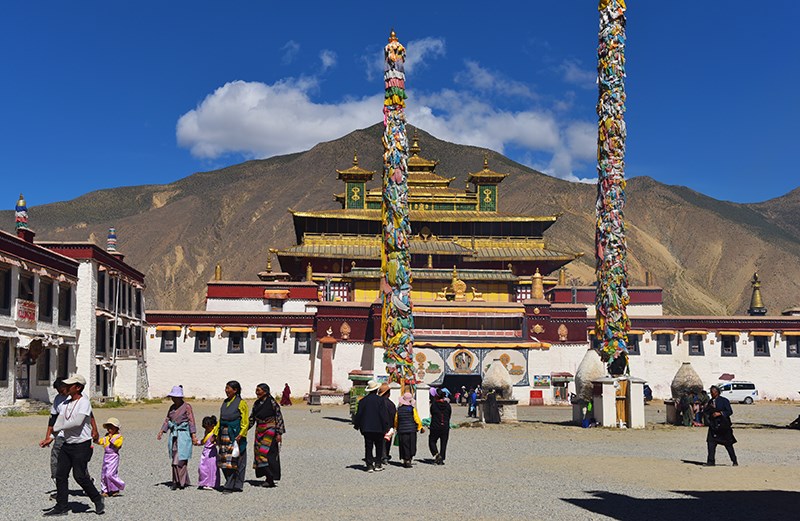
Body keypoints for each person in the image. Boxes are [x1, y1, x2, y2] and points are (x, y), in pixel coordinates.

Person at [43, 374, 105, 517]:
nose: (66, 387)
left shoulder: (84, 402)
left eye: (69, 385)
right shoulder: (65, 404)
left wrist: (59, 428)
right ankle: (61, 506)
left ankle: (97, 498)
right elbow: (58, 421)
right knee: (61, 475)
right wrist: (51, 437)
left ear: (77, 387)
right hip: (67, 444)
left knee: (80, 476)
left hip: (81, 445)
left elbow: (77, 422)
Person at [157, 385, 198, 490]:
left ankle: (181, 482)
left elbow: (191, 421)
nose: (173, 399)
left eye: (175, 397)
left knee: (180, 459)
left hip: (183, 435)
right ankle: (176, 481)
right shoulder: (172, 407)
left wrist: (193, 435)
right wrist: (162, 431)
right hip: (174, 436)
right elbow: (167, 419)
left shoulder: (187, 407)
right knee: (174, 457)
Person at [215, 380, 249, 493]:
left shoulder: (241, 403)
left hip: (235, 434)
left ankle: (230, 485)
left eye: (228, 388)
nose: (226, 390)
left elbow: (245, 420)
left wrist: (241, 434)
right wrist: (216, 433)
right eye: (226, 388)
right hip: (224, 434)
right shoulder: (225, 402)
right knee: (224, 459)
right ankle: (231, 482)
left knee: (233, 460)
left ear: (235, 390)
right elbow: (221, 419)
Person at [249, 383, 285, 488]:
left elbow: (279, 417)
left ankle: (271, 477)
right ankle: (268, 477)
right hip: (259, 430)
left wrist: (279, 433)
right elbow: (252, 419)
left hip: (270, 429)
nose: (257, 392)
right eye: (256, 390)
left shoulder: (272, 403)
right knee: (258, 454)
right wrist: (244, 430)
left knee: (263, 453)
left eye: (259, 390)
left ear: (265, 391)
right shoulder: (256, 404)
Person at [352, 380, 389, 473]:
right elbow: (383, 415)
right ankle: (378, 464)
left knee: (368, 446)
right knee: (379, 446)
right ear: (376, 390)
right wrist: (386, 426)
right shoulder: (380, 400)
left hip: (367, 428)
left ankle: (369, 465)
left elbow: (359, 414)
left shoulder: (363, 401)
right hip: (379, 427)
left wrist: (357, 425)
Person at [39, 378, 70, 486]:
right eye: (59, 391)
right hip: (60, 435)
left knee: (77, 462)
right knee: (55, 457)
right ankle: (59, 484)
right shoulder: (58, 399)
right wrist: (48, 437)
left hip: (75, 435)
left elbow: (89, 415)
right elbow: (53, 418)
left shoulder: (77, 397)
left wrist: (94, 430)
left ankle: (87, 481)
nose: (61, 393)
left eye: (62, 390)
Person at [704, 385, 738, 466]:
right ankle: (711, 461)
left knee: (728, 444)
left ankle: (734, 461)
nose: (712, 394)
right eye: (711, 392)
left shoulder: (724, 401)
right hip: (713, 426)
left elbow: (729, 411)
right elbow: (706, 412)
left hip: (723, 426)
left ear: (717, 392)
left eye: (713, 392)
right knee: (710, 443)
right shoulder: (710, 402)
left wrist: (720, 413)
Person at [395, 392, 424, 468]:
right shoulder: (412, 409)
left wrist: (396, 427)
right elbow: (416, 419)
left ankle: (406, 459)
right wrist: (419, 427)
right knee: (412, 444)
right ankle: (410, 458)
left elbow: (396, 420)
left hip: (402, 430)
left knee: (404, 444)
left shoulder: (399, 410)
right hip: (412, 430)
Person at [97, 417, 125, 497]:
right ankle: (105, 490)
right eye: (108, 428)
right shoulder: (106, 437)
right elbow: (101, 441)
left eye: (111, 428)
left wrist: (111, 439)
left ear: (116, 428)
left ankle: (116, 487)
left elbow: (118, 444)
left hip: (113, 456)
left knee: (110, 473)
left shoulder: (118, 437)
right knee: (104, 474)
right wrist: (96, 440)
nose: (109, 430)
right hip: (106, 456)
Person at [429, 388, 452, 465]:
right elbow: (449, 415)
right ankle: (441, 458)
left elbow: (432, 413)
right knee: (444, 443)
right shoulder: (448, 405)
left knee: (432, 441)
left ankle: (436, 454)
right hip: (445, 426)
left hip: (435, 426)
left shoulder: (434, 405)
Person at [197, 416, 219, 490]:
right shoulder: (207, 432)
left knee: (212, 468)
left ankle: (212, 483)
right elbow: (204, 441)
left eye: (207, 427)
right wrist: (198, 442)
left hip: (212, 452)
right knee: (202, 467)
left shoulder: (214, 432)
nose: (206, 429)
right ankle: (203, 482)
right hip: (205, 451)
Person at [378, 383, 396, 464]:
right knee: (387, 441)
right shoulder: (391, 404)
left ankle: (381, 455)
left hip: (379, 424)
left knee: (380, 441)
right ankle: (385, 455)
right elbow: (393, 415)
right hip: (389, 425)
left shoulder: (377, 402)